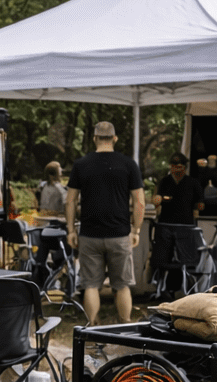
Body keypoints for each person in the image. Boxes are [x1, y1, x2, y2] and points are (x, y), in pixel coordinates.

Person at [66, 121, 144, 323]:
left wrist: (71, 231)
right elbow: (140, 202)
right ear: (115, 138)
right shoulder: (128, 164)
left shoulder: (81, 164)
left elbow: (71, 200)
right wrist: (135, 231)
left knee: (90, 285)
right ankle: (124, 326)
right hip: (119, 234)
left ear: (94, 139)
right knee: (122, 285)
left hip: (89, 234)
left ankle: (91, 326)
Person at [153, 153, 205, 226]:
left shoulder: (193, 183)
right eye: (175, 167)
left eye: (180, 167)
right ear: (170, 167)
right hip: (166, 224)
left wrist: (197, 207)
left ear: (185, 168)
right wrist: (157, 200)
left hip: (186, 225)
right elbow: (156, 200)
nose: (177, 170)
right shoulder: (164, 181)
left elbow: (201, 204)